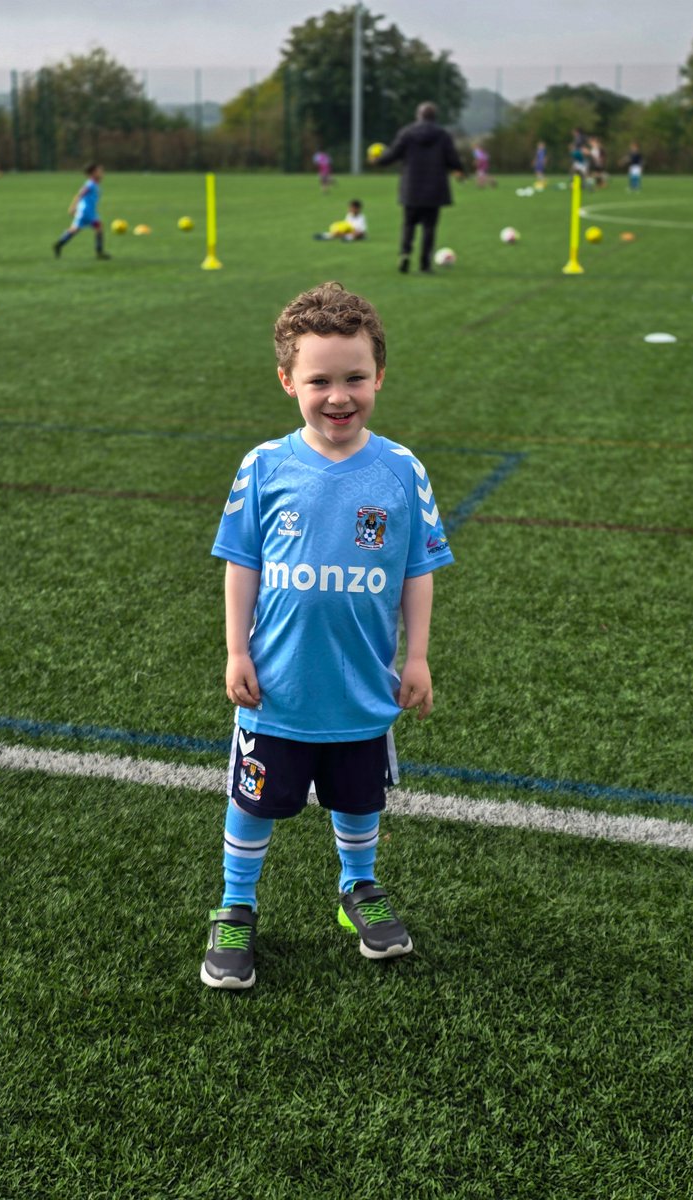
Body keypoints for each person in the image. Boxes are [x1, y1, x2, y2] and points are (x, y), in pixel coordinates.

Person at [202, 280, 454, 989]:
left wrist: (417, 657)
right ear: (288, 381)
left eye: (354, 378)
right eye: (319, 381)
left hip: (362, 686)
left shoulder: (402, 470)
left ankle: (358, 887)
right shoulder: (264, 465)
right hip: (278, 687)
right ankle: (236, 905)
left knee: (359, 798)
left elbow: (418, 569)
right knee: (253, 803)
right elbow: (242, 563)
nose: (338, 397)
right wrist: (237, 650)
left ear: (380, 376)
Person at [373, 101, 464, 274]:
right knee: (429, 227)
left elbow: (393, 154)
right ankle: (425, 264)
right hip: (435, 188)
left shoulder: (407, 133)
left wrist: (378, 161)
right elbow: (452, 157)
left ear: (418, 116)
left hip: (411, 187)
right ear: (435, 117)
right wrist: (459, 169)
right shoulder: (442, 134)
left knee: (409, 224)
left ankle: (405, 254)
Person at [53, 163, 110, 260]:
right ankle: (99, 252)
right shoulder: (90, 184)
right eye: (99, 171)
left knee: (75, 229)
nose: (102, 173)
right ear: (93, 173)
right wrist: (72, 207)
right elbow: (80, 195)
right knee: (98, 227)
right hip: (86, 212)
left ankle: (59, 244)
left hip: (87, 211)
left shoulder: (94, 184)